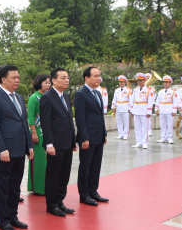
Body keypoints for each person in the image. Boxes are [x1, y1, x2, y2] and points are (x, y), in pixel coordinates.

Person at [0, 65, 33, 230]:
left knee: (15, 185)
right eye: (13, 78)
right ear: (2, 79)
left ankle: (13, 216)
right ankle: (3, 219)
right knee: (2, 186)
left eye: (18, 77)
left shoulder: (19, 97)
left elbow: (23, 123)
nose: (17, 80)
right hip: (4, 151)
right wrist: (1, 149)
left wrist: (29, 146)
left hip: (20, 149)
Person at [39, 68, 77, 217]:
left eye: (67, 77)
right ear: (54, 80)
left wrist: (73, 141)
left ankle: (60, 201)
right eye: (63, 78)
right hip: (55, 144)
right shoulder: (47, 98)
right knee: (53, 175)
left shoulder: (66, 96)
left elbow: (69, 120)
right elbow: (45, 123)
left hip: (67, 143)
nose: (66, 80)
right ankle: (52, 204)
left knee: (64, 174)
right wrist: (49, 144)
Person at [74, 66, 108, 207]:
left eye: (99, 76)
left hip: (98, 135)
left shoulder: (98, 93)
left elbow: (100, 115)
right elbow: (80, 119)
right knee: (86, 166)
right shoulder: (81, 94)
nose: (98, 78)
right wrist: (84, 137)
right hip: (88, 137)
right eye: (95, 76)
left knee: (96, 165)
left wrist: (104, 133)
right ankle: (84, 194)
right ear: (86, 78)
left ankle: (93, 190)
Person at [27, 74, 51, 196]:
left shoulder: (49, 96)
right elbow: (30, 116)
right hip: (37, 131)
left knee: (48, 161)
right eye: (45, 82)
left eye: (49, 83)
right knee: (39, 161)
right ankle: (38, 187)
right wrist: (34, 132)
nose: (48, 85)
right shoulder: (34, 98)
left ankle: (48, 186)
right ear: (39, 83)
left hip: (48, 131)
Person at [129, 73, 155, 149]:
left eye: (141, 80)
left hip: (144, 111)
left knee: (144, 127)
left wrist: (149, 112)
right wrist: (132, 110)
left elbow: (150, 102)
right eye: (138, 80)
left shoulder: (149, 90)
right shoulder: (135, 90)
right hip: (136, 110)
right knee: (137, 127)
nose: (139, 82)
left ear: (144, 80)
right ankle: (138, 141)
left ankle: (144, 142)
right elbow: (132, 100)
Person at [155, 76, 178, 144]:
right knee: (162, 124)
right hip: (162, 109)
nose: (165, 84)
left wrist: (174, 110)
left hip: (169, 109)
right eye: (164, 82)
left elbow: (175, 102)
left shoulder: (173, 91)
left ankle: (169, 137)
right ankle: (163, 137)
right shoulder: (160, 91)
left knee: (169, 124)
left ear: (170, 83)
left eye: (167, 82)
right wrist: (156, 109)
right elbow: (158, 101)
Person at [111, 76, 130, 140]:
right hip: (118, 107)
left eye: (122, 82)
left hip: (125, 107)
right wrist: (113, 106)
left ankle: (125, 134)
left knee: (126, 122)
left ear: (125, 82)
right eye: (120, 82)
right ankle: (120, 134)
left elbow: (130, 100)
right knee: (119, 121)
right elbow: (114, 99)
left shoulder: (128, 90)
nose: (121, 83)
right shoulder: (116, 90)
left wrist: (130, 108)